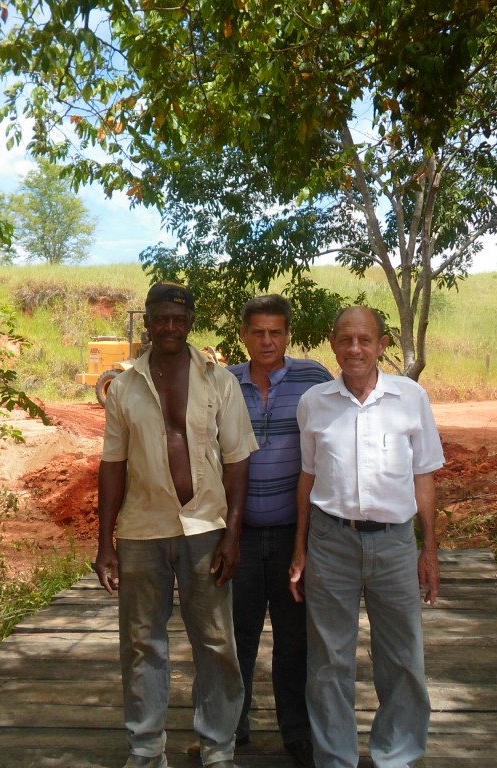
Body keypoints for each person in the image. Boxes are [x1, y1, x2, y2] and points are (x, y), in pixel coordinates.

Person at [94, 280, 258, 768]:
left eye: (179, 319)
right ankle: (146, 750)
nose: (170, 326)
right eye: (161, 318)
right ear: (147, 322)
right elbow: (112, 466)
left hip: (206, 528)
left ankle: (218, 747)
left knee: (216, 641)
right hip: (143, 530)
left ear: (189, 323)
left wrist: (232, 534)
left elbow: (238, 461)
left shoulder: (218, 380)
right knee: (142, 643)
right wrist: (105, 543)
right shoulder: (123, 387)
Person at [288, 306, 445, 768]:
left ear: (382, 345)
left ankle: (396, 755)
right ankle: (335, 758)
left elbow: (424, 477)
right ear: (333, 344)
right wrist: (300, 547)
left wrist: (429, 549)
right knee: (329, 661)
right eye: (346, 340)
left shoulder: (411, 398)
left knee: (401, 656)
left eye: (365, 340)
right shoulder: (314, 402)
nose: (355, 349)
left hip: (395, 544)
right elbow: (307, 477)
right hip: (331, 542)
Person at [226, 295, 332, 768]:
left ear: (288, 334)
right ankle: (231, 728)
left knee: (294, 640)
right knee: (236, 634)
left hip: (296, 533)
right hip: (239, 533)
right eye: (258, 332)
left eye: (276, 332)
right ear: (244, 334)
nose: (267, 341)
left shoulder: (314, 379)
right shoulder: (223, 382)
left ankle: (297, 730)